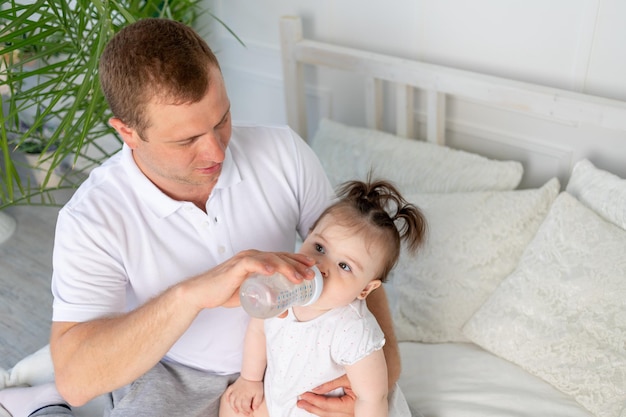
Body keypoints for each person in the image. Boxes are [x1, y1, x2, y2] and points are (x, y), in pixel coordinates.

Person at [0, 18, 402, 417]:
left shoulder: (283, 153)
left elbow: (355, 261)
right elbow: (76, 378)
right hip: (178, 375)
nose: (217, 152)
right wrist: (190, 295)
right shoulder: (92, 218)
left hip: (292, 359)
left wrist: (380, 383)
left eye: (221, 120)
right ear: (127, 132)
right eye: (187, 140)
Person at [220, 179, 426, 417]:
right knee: (233, 405)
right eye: (319, 248)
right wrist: (250, 380)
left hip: (331, 412)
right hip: (283, 401)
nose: (322, 266)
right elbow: (258, 330)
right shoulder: (282, 287)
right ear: (307, 236)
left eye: (344, 266)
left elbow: (372, 398)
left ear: (365, 290)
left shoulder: (352, 329)